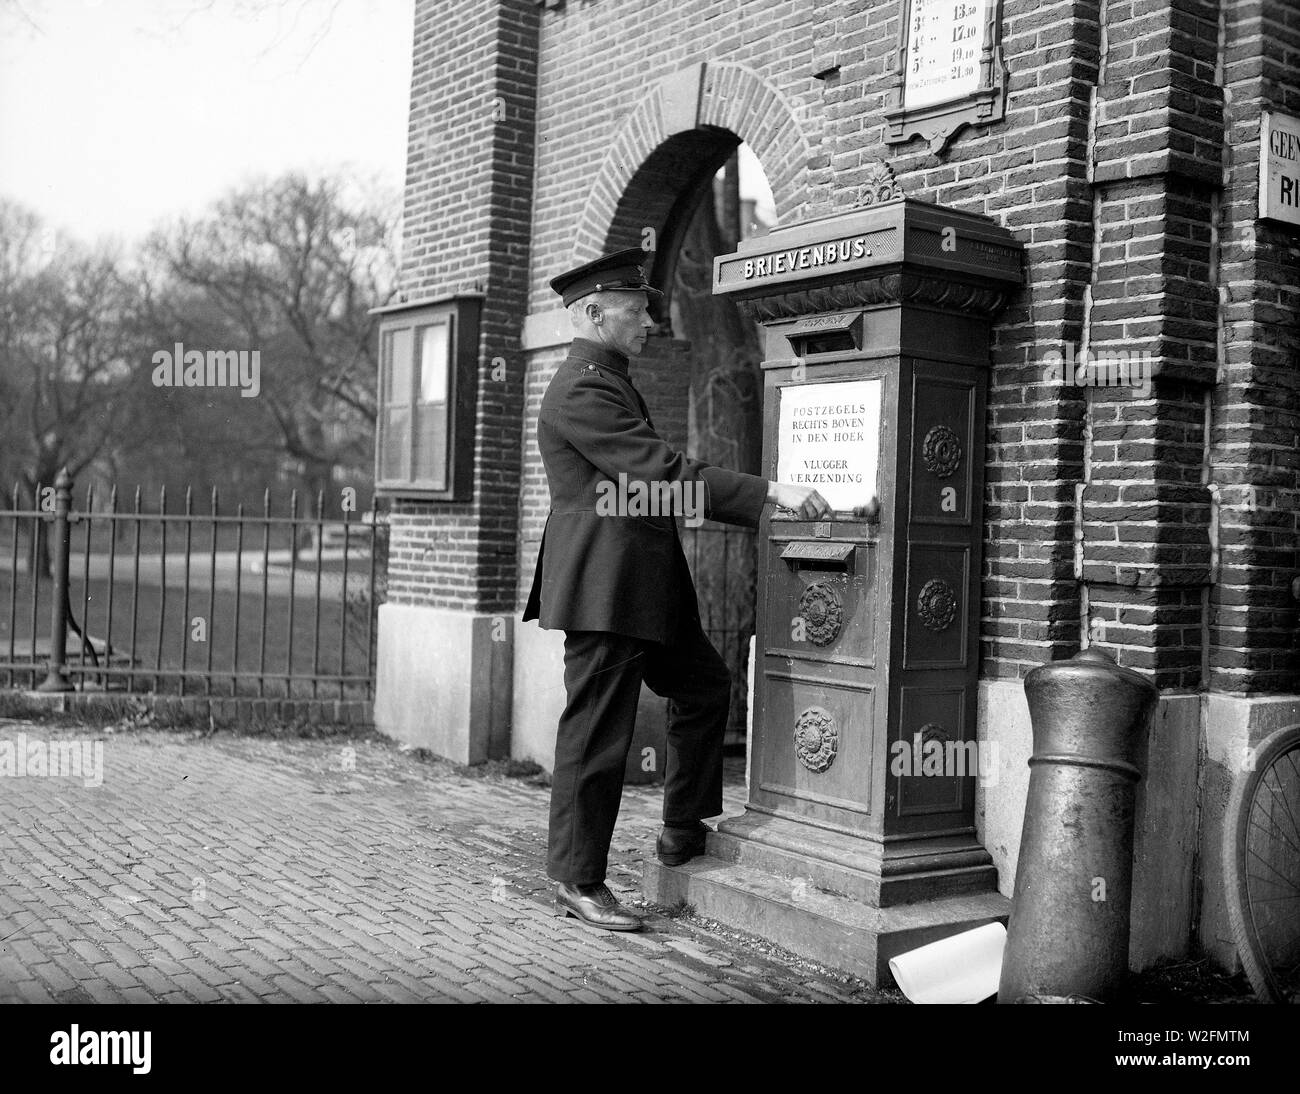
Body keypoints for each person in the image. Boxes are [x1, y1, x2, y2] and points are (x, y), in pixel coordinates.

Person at [522, 247, 831, 931]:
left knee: (704, 687)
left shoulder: (609, 379)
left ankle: (681, 827)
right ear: (595, 314)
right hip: (606, 589)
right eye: (637, 311)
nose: (650, 322)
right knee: (598, 734)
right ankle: (577, 880)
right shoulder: (580, 387)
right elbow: (660, 473)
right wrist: (768, 491)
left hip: (645, 586)